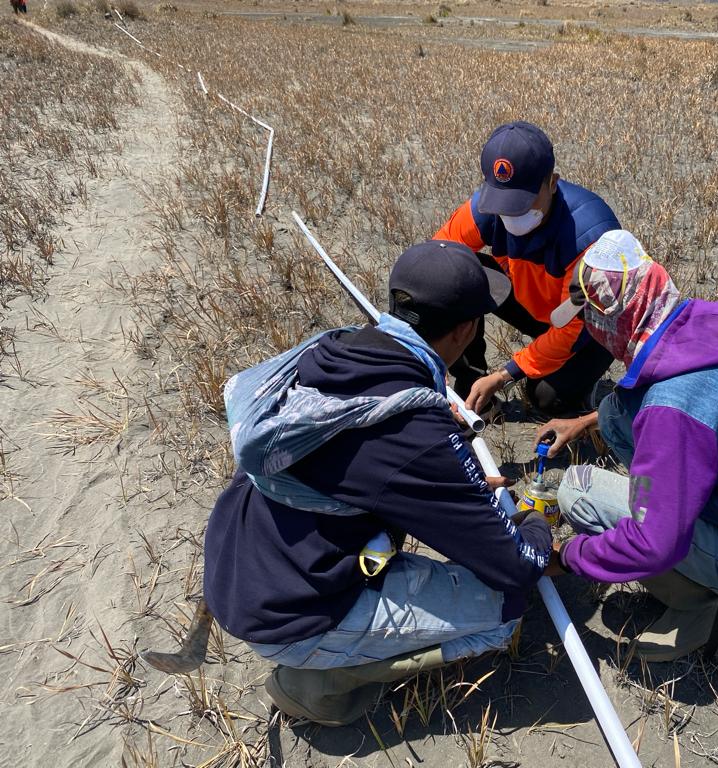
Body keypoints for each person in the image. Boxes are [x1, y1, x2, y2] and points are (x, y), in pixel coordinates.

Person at [203, 240, 554, 726]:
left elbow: (367, 462)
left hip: (242, 567)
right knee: (506, 608)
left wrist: (447, 476)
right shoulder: (411, 431)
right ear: (467, 329)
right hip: (292, 612)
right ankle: (319, 680)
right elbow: (516, 565)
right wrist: (534, 522)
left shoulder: (333, 350)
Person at [537, 230, 718, 661]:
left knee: (577, 490)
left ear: (612, 318)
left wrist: (566, 556)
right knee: (617, 409)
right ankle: (674, 508)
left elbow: (654, 544)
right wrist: (583, 422)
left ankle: (703, 604)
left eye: (589, 319)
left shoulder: (672, 408)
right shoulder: (702, 324)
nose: (590, 331)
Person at [434, 121, 620, 416]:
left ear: (552, 183)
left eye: (521, 203)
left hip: (587, 330)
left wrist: (504, 375)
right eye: (502, 202)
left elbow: (570, 330)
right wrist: (435, 351)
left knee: (545, 397)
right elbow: (435, 258)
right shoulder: (485, 208)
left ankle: (585, 387)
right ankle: (473, 388)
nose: (510, 214)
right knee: (458, 272)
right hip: (536, 306)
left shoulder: (588, 237)